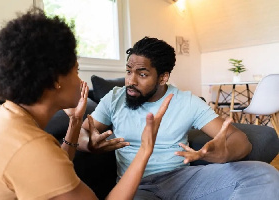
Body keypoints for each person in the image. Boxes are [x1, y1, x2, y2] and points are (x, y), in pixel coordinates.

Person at [0, 10, 173, 200]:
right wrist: (145, 149)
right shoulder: (30, 146)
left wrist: (75, 121)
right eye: (76, 71)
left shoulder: (5, 121)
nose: (81, 81)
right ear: (56, 79)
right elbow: (40, 159)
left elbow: (53, 172)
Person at [78, 37, 279, 199]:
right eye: (129, 71)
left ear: (163, 77)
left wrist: (223, 152)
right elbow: (82, 131)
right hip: (137, 186)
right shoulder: (115, 97)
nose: (131, 81)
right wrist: (88, 143)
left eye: (142, 74)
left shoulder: (186, 101)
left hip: (183, 178)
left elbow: (238, 139)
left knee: (264, 175)